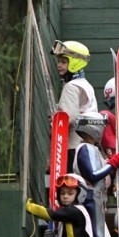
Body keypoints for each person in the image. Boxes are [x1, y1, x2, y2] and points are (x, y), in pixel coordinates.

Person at [51, 40, 98, 170]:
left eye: (64, 62)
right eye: (59, 61)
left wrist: (54, 121)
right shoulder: (86, 84)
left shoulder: (71, 86)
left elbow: (68, 118)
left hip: (72, 146)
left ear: (75, 63)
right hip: (87, 145)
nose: (59, 65)